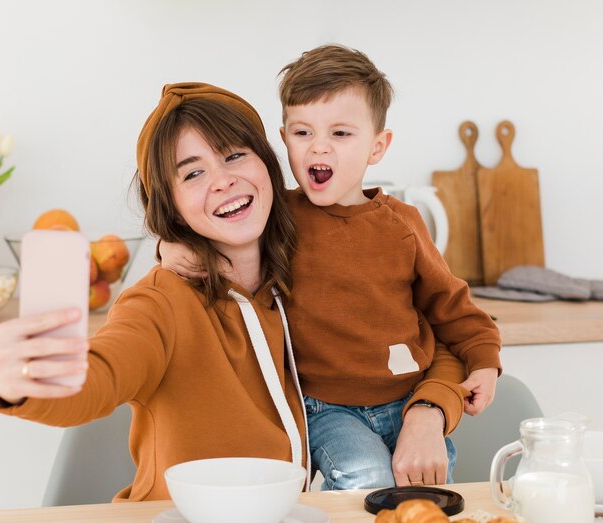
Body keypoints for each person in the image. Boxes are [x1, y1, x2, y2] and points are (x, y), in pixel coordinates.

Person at [160, 45, 502, 491]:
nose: (318, 147)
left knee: (428, 490)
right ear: (284, 140)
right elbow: (216, 228)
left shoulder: (403, 224)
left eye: (340, 134)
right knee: (368, 478)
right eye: (303, 132)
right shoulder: (274, 215)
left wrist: (485, 361)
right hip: (324, 408)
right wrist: (170, 246)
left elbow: (453, 308)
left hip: (408, 397)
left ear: (377, 146)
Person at [0, 83, 309, 501]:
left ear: (267, 165)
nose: (223, 180)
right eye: (193, 173)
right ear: (169, 206)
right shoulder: (159, 302)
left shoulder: (302, 273)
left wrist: (425, 407)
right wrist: (19, 382)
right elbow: (101, 376)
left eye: (234, 155)